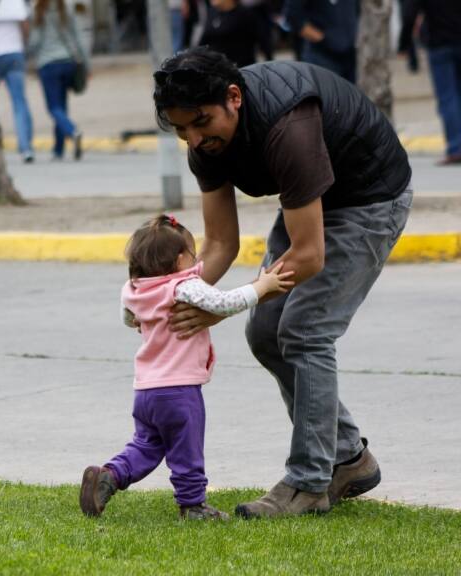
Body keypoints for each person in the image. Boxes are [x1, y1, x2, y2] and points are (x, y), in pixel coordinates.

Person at [152, 48, 413, 518]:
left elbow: (309, 255)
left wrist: (222, 306)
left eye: (200, 123)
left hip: (370, 198)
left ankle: (310, 482)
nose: (193, 139)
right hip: (313, 200)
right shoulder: (204, 142)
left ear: (234, 98)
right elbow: (220, 245)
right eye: (180, 129)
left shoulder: (286, 127)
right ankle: (348, 457)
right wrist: (170, 297)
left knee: (306, 330)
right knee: (266, 332)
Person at [80, 214, 294, 521]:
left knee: (146, 444)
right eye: (193, 254)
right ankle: (193, 505)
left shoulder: (135, 289)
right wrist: (262, 287)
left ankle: (109, 476)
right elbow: (224, 302)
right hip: (178, 391)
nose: (197, 260)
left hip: (145, 390)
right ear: (181, 259)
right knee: (187, 449)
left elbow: (129, 319)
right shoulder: (184, 285)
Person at [399, 0, 461, 165]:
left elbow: (409, 13)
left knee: (448, 98)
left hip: (439, 43)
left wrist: (404, 45)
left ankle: (456, 148)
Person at [29, 0, 89, 161]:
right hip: (67, 61)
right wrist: (86, 63)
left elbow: (34, 42)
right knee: (62, 107)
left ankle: (72, 131)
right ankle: (58, 149)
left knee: (53, 108)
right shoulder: (66, 7)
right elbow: (78, 37)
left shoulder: (38, 9)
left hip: (47, 64)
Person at [0, 0, 35, 163]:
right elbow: (25, 24)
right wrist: (24, 43)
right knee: (19, 102)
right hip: (13, 52)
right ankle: (25, 146)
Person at [282, 0, 359, 83]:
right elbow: (292, 17)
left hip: (351, 54)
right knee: (327, 92)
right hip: (321, 55)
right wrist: (322, 39)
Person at [197, 0, 263, 68]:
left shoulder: (245, 14)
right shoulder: (212, 12)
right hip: (215, 67)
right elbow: (204, 39)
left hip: (238, 67)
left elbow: (262, 39)